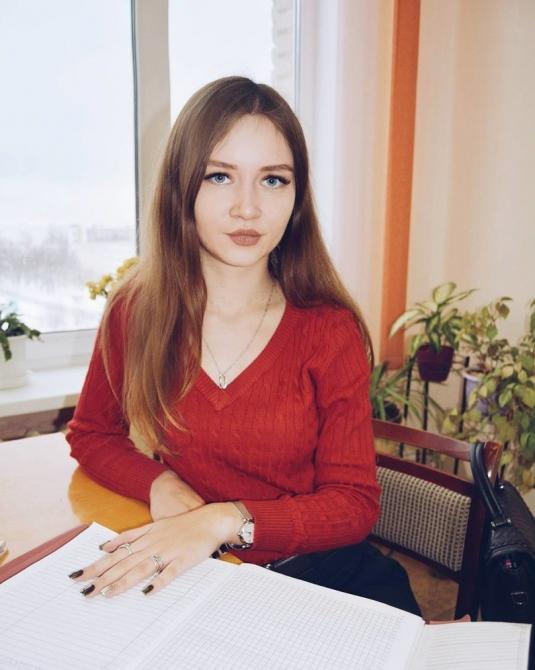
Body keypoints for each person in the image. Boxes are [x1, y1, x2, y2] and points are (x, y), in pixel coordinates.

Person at [66, 76, 420, 615]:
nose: (248, 208)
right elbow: (93, 433)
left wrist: (224, 519)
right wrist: (160, 483)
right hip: (203, 572)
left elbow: (353, 504)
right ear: (181, 187)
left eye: (273, 180)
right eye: (220, 176)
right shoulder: (135, 309)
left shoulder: (329, 330)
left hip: (316, 574)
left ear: (297, 197)